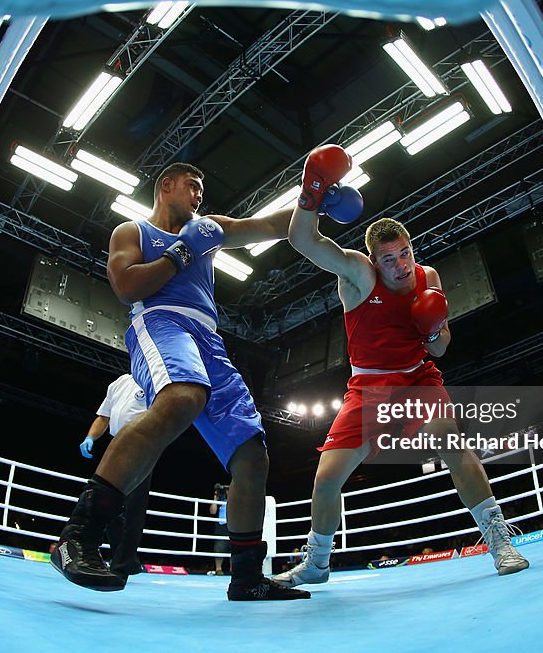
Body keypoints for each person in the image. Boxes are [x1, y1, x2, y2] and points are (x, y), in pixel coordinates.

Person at [52, 155, 349, 601]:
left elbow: (270, 226)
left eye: (201, 190)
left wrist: (313, 199)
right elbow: (127, 286)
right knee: (182, 397)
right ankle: (78, 537)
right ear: (166, 185)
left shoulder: (209, 227)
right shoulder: (133, 231)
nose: (198, 195)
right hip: (160, 321)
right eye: (192, 186)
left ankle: (246, 577)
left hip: (208, 337)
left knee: (252, 453)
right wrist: (181, 252)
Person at [273, 206, 530, 588]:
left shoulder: (429, 278)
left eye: (405, 253)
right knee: (326, 480)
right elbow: (303, 240)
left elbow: (440, 348)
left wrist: (429, 331)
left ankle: (500, 543)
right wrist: (311, 196)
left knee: (452, 442)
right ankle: (317, 563)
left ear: (411, 248)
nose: (401, 265)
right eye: (389, 260)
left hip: (417, 379)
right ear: (375, 262)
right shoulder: (358, 274)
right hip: (369, 388)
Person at [80, 373, 150, 577]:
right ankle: (125, 558)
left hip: (142, 444)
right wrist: (90, 437)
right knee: (105, 501)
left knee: (134, 507)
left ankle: (124, 561)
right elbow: (104, 417)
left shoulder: (155, 379)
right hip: (115, 444)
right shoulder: (119, 382)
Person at [208, 483, 230, 575]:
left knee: (234, 547)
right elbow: (212, 511)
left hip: (232, 524)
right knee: (219, 547)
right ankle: (218, 569)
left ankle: (233, 569)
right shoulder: (219, 501)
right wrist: (215, 498)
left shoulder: (235, 500)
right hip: (221, 526)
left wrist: (231, 496)